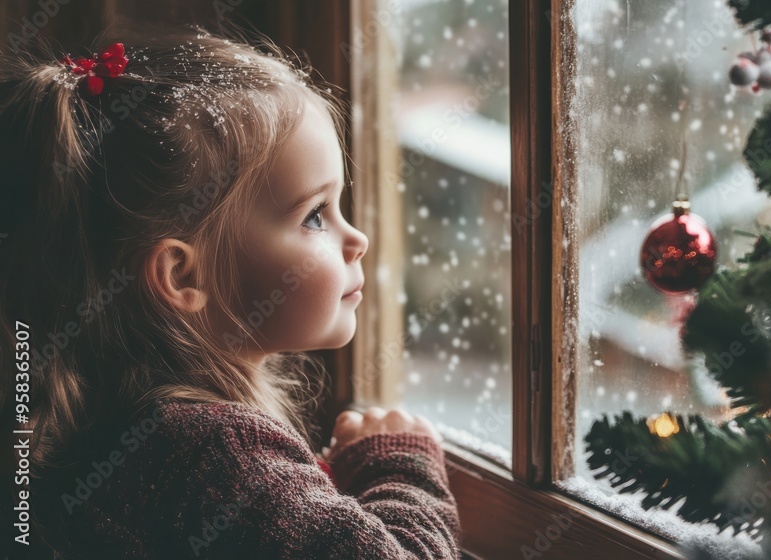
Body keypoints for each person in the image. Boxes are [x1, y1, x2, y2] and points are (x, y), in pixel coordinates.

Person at [0, 27, 460, 559]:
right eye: (315, 215)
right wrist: (400, 463)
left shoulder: (112, 418)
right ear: (183, 276)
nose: (357, 239)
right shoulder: (213, 455)